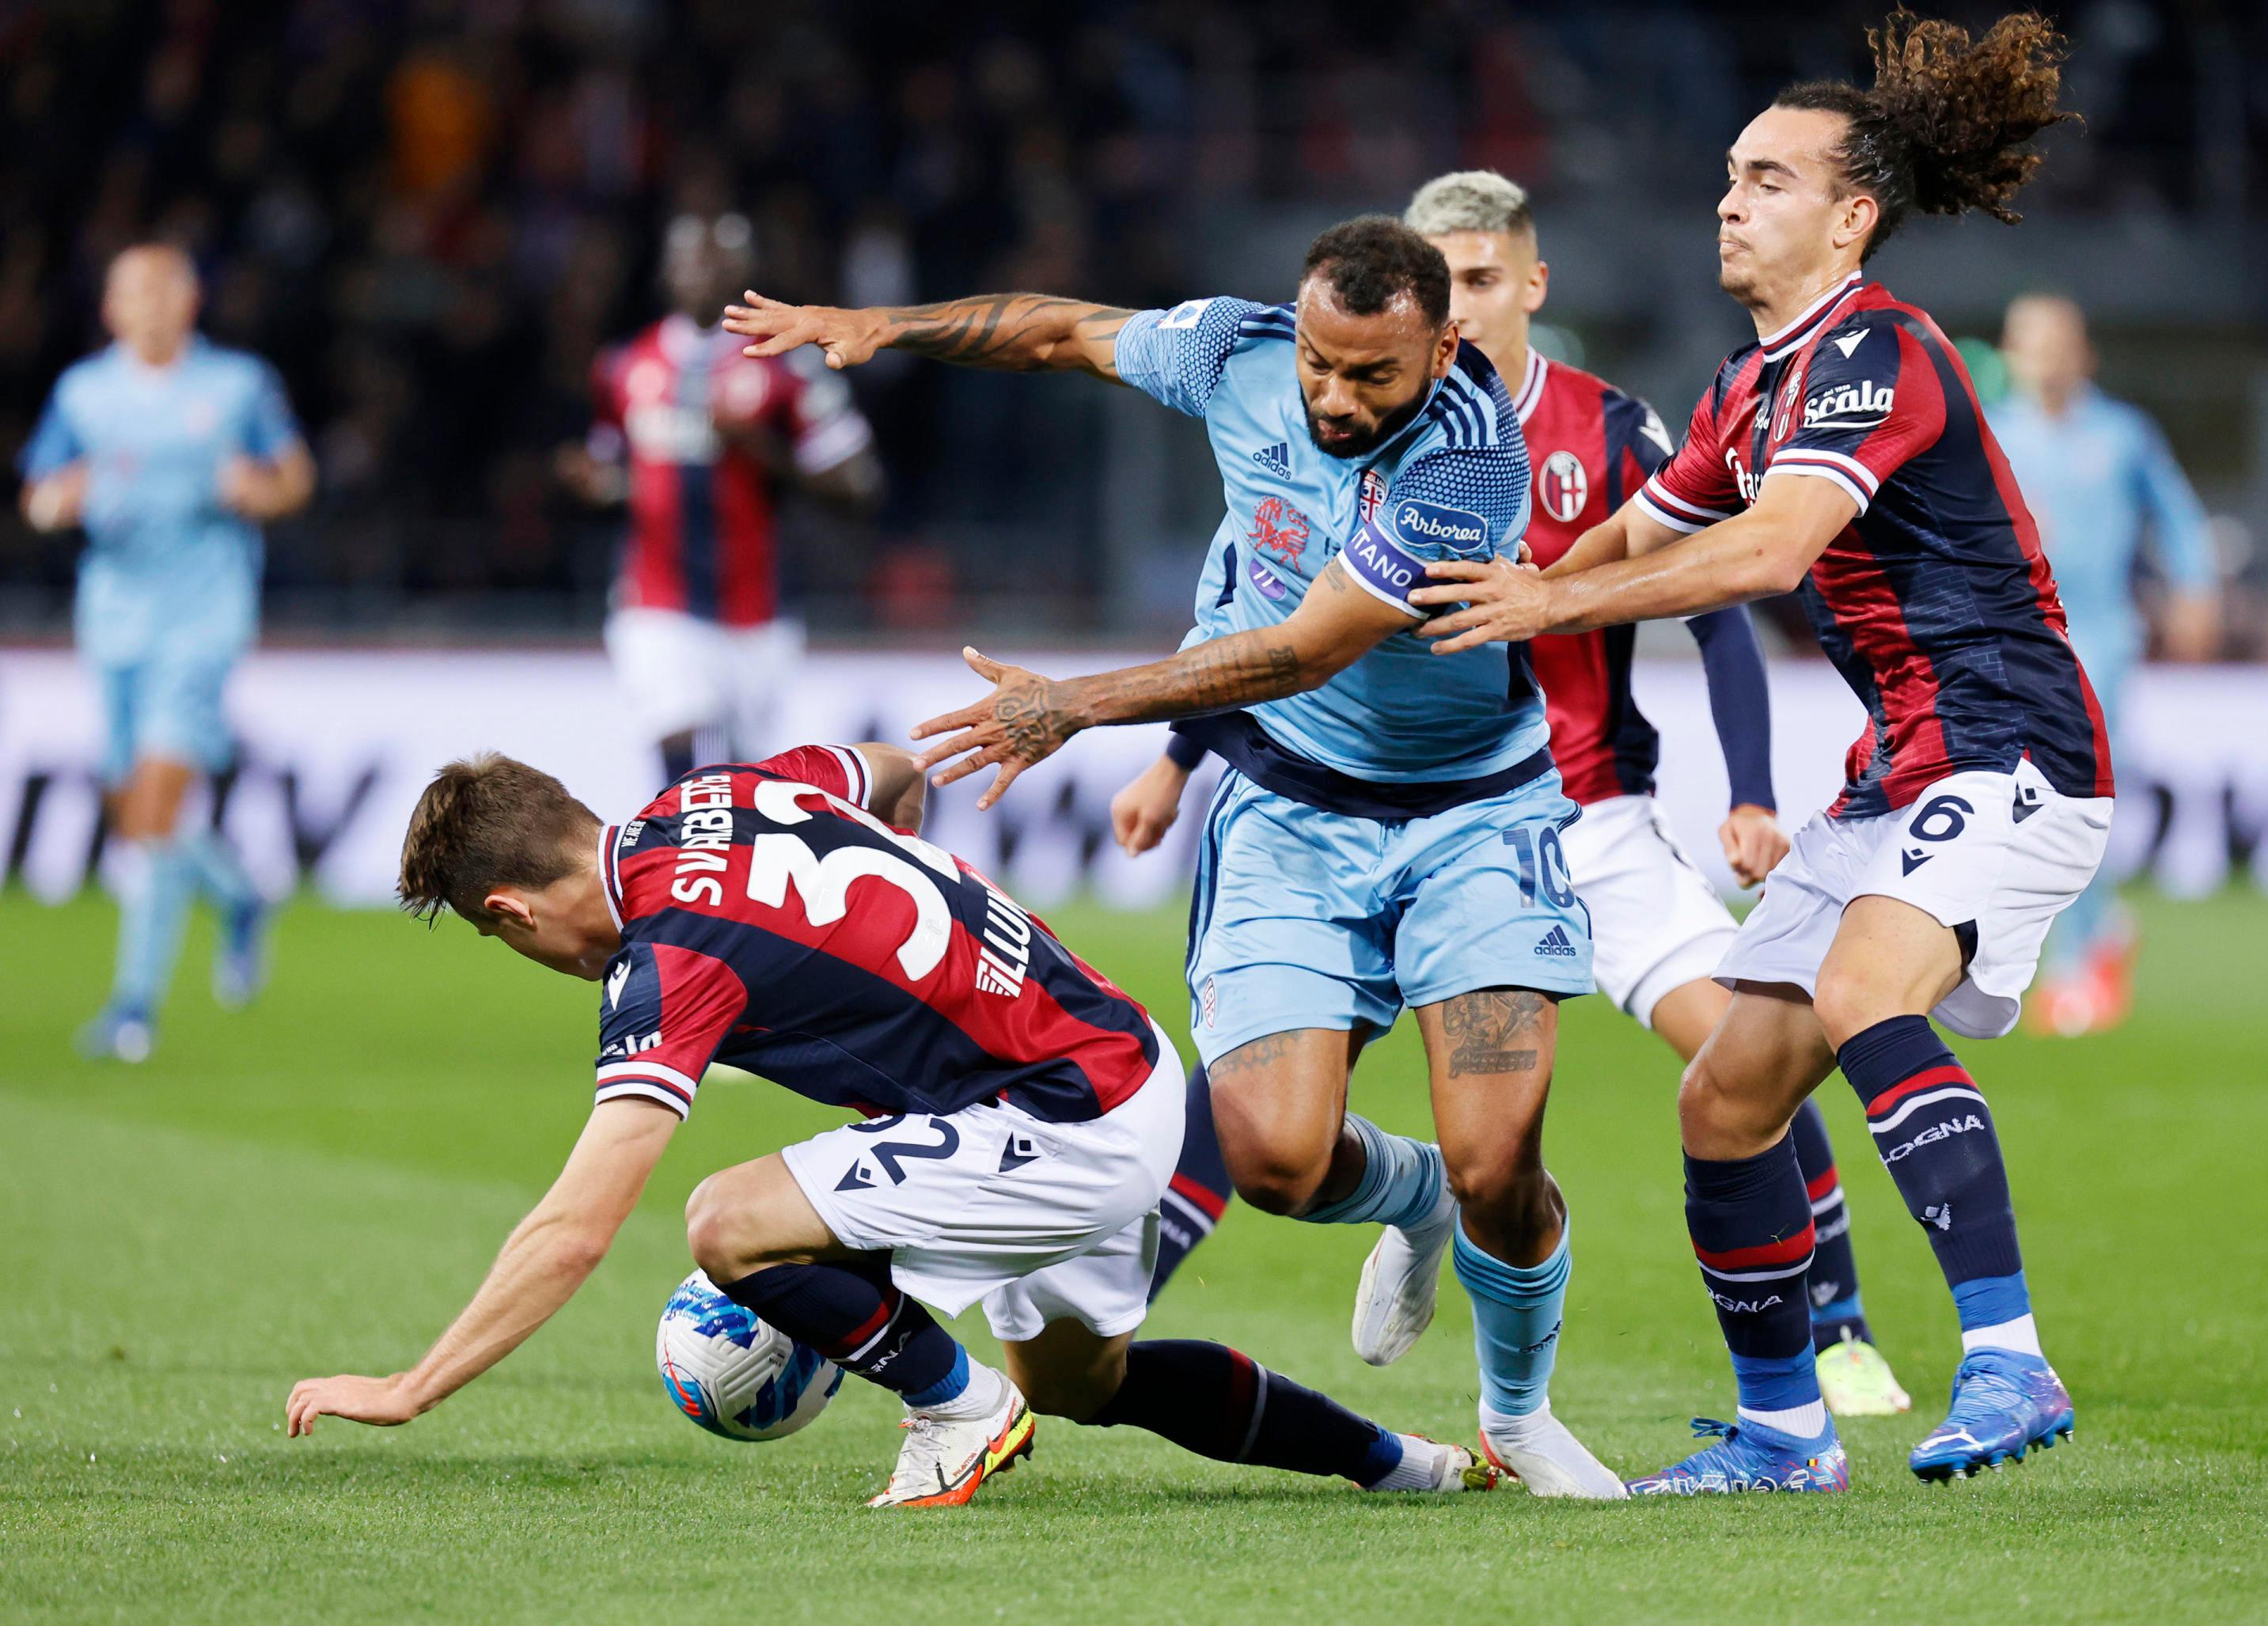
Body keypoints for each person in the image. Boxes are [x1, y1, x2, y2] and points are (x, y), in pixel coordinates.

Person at [724, 218, 1621, 1497]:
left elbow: (1306, 648)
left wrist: (1080, 704)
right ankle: (1415, 1202)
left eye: (1370, 374)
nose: (1332, 395)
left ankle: (1518, 1412)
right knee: (1272, 1160)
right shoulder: (1236, 350)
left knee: (1500, 1162)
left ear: (1442, 347)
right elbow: (1060, 330)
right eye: (1320, 363)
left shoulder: (1470, 461)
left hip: (1469, 816)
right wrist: (888, 327)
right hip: (1289, 816)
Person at [1410, 10, 2102, 1491]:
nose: (1729, 197)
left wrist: (1555, 593)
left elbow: (1764, 553)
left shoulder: (1879, 350)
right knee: (1724, 1091)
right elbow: (1624, 537)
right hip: (1896, 770)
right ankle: (1788, 1431)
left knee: (1860, 994)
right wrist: (1495, 604)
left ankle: (2008, 1357)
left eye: (1769, 179)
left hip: (2009, 746)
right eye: (1729, 173)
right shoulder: (1743, 385)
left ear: (1851, 215)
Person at [1109, 170, 1913, 1419]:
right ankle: (1133, 1281)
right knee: (1266, 1103)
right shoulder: (1347, 425)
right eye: (1451, 282)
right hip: (1359, 810)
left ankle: (1842, 1325)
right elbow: (1270, 623)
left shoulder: (1608, 429)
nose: (1469, 305)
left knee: (1745, 1054)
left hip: (1582, 816)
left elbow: (1715, 609)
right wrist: (1177, 757)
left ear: (1527, 285)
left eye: (1487, 278)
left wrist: (1750, 792)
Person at [283, 744, 1492, 1507]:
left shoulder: (667, 962)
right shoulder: (722, 792)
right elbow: (884, 766)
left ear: (509, 909)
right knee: (1082, 1380)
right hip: (1118, 1061)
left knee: (730, 1221)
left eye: (501, 938)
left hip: (1060, 1114)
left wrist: (411, 1384)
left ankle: (952, 1410)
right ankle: (1411, 1464)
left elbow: (577, 1226)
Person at [17, 243, 314, 1062]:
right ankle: (239, 895)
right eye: (131, 291)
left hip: (203, 620)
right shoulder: (84, 393)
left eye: (162, 288)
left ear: (190, 303)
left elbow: (295, 475)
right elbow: (39, 490)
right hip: (114, 620)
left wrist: (261, 489)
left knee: (151, 813)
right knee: (133, 815)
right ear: (111, 309)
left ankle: (132, 1008)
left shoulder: (235, 387)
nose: (147, 304)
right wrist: (53, 504)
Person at [559, 214, 882, 785]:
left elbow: (860, 484)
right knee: (682, 743)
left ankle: (716, 868)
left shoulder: (789, 363)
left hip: (755, 610)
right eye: (689, 257)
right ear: (667, 271)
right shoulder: (627, 365)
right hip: (657, 601)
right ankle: (680, 871)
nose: (703, 271)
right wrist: (592, 480)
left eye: (718, 258)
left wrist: (760, 448)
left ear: (744, 270)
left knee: (742, 778)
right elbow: (615, 468)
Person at [1992, 292, 2217, 1035]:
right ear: (2012, 353)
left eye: (2058, 341)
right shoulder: (1994, 434)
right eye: (2031, 342)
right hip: (2016, 641)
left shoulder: (2122, 434)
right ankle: (2094, 931)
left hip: (2100, 636)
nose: (2045, 356)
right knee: (2023, 803)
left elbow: (2178, 514)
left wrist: (2195, 587)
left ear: (2082, 352)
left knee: (2074, 795)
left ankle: (2077, 963)